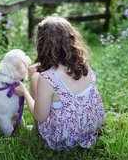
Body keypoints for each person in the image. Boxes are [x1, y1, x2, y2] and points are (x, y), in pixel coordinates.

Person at [16, 16, 105, 150]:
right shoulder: (83, 65)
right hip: (90, 128)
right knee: (45, 83)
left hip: (64, 138)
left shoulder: (47, 78)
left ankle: (37, 131)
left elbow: (40, 116)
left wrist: (25, 92)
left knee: (35, 78)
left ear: (43, 44)